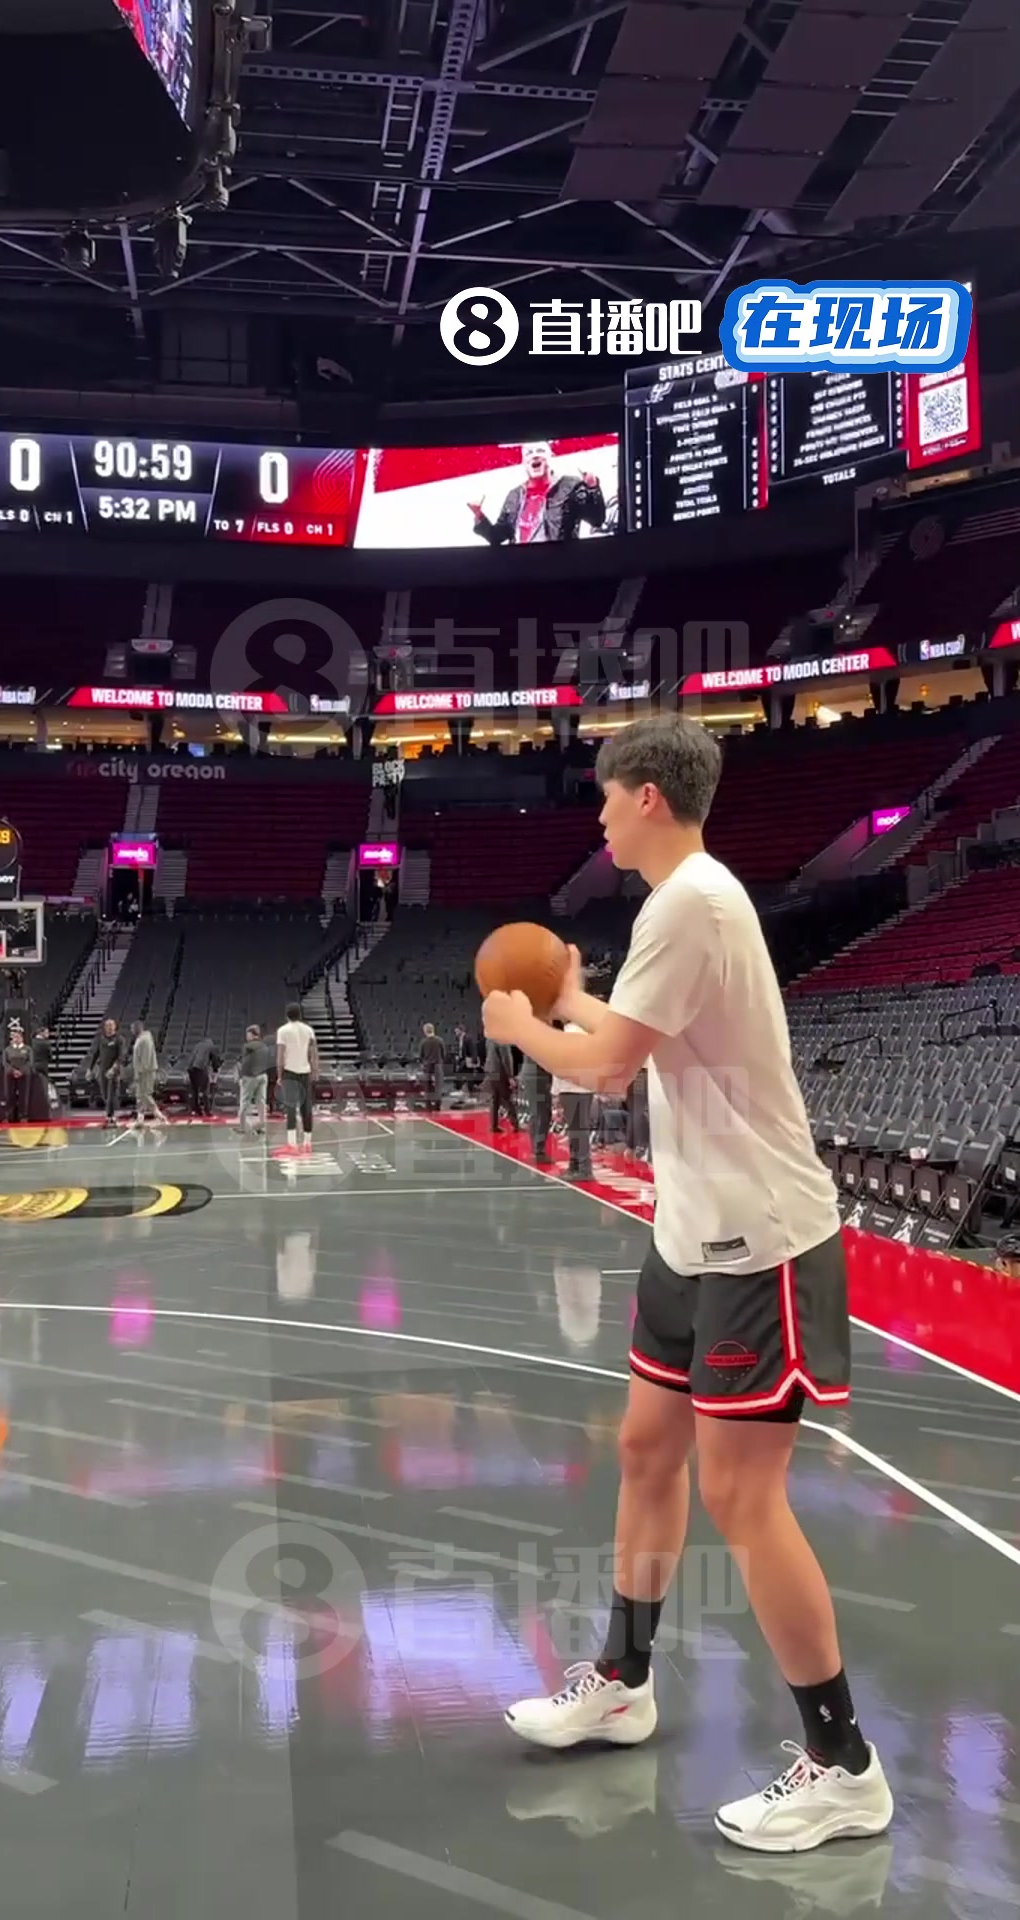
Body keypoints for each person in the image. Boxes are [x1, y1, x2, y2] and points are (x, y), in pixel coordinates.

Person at [481, 713, 892, 1854]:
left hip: (762, 1243)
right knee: (645, 1449)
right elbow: (643, 1034)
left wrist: (522, 1025)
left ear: (648, 797)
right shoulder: (684, 905)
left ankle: (844, 1766)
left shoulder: (692, 902)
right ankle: (623, 1681)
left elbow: (610, 1067)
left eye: (607, 796)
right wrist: (568, 998)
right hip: (690, 1240)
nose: (600, 816)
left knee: (744, 1498)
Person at [469, 442, 606, 546]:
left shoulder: (570, 486)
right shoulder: (514, 496)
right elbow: (496, 537)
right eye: (529, 453)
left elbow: (597, 520)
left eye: (540, 451)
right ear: (524, 463)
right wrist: (479, 514)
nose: (534, 456)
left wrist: (592, 488)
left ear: (549, 457)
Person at [277, 1001, 318, 1153]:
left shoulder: (283, 1031)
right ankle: (307, 1143)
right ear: (300, 1014)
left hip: (289, 1071)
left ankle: (292, 1143)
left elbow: (280, 1055)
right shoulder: (309, 1030)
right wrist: (314, 1070)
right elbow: (313, 1053)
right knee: (306, 1107)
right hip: (305, 1071)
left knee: (290, 1106)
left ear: (287, 1015)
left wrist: (279, 1074)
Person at [555, 1025, 593, 1180]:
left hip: (569, 1089)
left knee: (575, 1130)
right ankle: (578, 1166)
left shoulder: (564, 1038)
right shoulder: (589, 1038)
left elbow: (557, 1066)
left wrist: (555, 1091)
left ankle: (580, 1167)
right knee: (580, 1130)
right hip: (585, 1089)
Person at [91, 1017, 126, 1124]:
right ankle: (109, 1112)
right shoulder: (101, 1039)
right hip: (102, 1069)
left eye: (111, 1025)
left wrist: (113, 1069)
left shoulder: (119, 1039)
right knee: (105, 1093)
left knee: (111, 1093)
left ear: (115, 1026)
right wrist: (90, 1068)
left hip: (114, 1071)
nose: (109, 1027)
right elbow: (96, 1054)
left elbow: (121, 1057)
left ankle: (110, 1115)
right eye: (107, 1025)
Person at [131, 1020, 166, 1125]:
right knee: (140, 1096)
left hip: (145, 1072)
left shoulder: (145, 1040)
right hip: (141, 1071)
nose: (131, 1030)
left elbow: (145, 1058)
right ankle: (140, 1118)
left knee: (145, 1094)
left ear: (138, 1028)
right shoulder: (140, 1039)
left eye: (132, 1028)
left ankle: (159, 1115)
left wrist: (140, 1072)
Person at [520, 1054, 552, 1165]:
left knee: (536, 1112)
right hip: (538, 1075)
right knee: (543, 1113)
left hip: (531, 1073)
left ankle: (536, 1148)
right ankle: (539, 1150)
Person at [239, 1023, 270, 1136]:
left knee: (245, 1101)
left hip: (250, 1076)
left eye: (247, 1034)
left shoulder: (247, 1046)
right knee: (261, 1102)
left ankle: (244, 1127)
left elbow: (245, 1063)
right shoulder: (264, 1046)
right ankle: (262, 1126)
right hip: (263, 1076)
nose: (246, 1037)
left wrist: (241, 1077)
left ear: (251, 1034)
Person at [484, 1037, 518, 1134]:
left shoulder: (489, 1039)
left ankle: (493, 1125)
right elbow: (506, 1059)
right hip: (499, 1072)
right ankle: (515, 1124)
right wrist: (510, 1076)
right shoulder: (503, 1040)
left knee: (494, 1099)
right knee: (507, 1098)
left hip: (490, 1071)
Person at [2, 1024, 32, 1123]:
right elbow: (5, 1063)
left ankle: (23, 1116)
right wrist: (13, 1071)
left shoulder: (28, 1049)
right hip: (10, 1075)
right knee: (9, 1095)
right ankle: (9, 1116)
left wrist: (21, 1071)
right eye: (15, 1037)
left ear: (22, 1038)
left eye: (18, 1037)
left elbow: (30, 1062)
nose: (16, 1039)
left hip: (24, 1075)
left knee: (24, 1096)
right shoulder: (7, 1050)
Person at [188, 1036, 220, 1119]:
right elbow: (215, 1059)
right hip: (201, 1067)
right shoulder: (211, 1046)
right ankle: (207, 1111)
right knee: (205, 1090)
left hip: (191, 1068)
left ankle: (196, 1110)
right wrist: (215, 1069)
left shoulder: (198, 1045)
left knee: (194, 1090)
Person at [419, 1022, 445, 1112]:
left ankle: (428, 1106)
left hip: (427, 1066)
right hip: (438, 1066)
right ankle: (437, 1106)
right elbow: (443, 1054)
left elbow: (421, 1056)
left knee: (427, 1087)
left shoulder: (423, 1042)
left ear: (425, 1031)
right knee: (438, 1086)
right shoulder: (440, 1040)